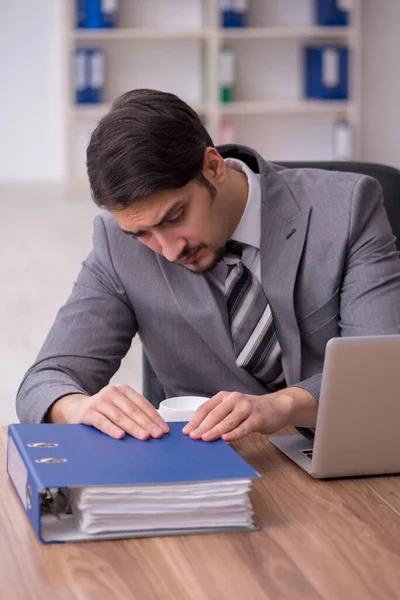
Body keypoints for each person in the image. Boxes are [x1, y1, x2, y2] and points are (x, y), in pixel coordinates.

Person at [16, 89, 400, 444]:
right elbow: (44, 382)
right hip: (214, 474)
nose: (167, 251)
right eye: (142, 233)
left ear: (213, 166)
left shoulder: (347, 208)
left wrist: (280, 406)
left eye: (174, 217)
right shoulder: (118, 246)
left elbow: (380, 373)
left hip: (347, 457)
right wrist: (76, 406)